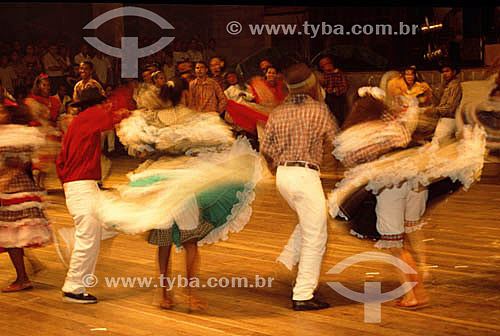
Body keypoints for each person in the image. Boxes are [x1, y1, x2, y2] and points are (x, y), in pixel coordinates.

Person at [335, 87, 429, 309]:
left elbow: (350, 162)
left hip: (390, 186)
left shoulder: (356, 132)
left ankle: (415, 295)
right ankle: (422, 271)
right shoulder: (393, 126)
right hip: (416, 182)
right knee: (410, 231)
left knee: (395, 245)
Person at [261, 63, 337, 311]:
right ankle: (303, 294)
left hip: (283, 175)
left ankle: (288, 258)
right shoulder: (319, 110)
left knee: (312, 220)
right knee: (317, 235)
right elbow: (336, 142)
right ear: (311, 85)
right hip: (305, 175)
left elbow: (266, 148)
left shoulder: (278, 112)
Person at [56, 87, 130, 303]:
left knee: (111, 223)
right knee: (89, 237)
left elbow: (61, 161)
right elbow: (115, 113)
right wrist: (130, 95)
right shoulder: (88, 117)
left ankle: (72, 239)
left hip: (79, 184)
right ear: (95, 104)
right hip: (82, 185)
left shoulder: (79, 122)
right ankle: (73, 288)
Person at [0, 104, 52, 292]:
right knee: (15, 235)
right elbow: (30, 160)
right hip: (23, 187)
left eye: (2, 112)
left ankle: (22, 278)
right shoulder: (26, 135)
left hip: (12, 189)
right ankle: (25, 272)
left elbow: (13, 162)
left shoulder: (7, 136)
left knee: (11, 237)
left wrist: (10, 169)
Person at [425, 63, 462, 142]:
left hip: (450, 119)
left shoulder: (455, 86)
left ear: (454, 72)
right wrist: (430, 92)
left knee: (437, 143)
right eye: (443, 72)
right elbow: (438, 101)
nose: (445, 74)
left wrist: (434, 110)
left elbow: (450, 108)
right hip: (442, 117)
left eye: (447, 71)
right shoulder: (446, 85)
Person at [317, 55, 348, 126]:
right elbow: (322, 87)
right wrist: (327, 90)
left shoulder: (339, 74)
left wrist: (336, 90)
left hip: (338, 97)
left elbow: (344, 86)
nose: (327, 66)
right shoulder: (323, 76)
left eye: (328, 63)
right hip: (328, 97)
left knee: (339, 113)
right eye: (324, 65)